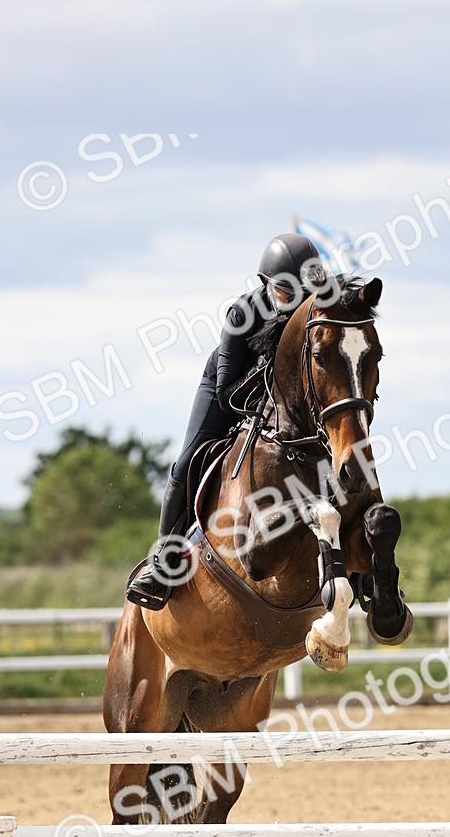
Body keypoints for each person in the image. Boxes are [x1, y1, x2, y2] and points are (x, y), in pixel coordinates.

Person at [126, 232, 321, 610]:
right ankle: (164, 563)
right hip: (227, 388)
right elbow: (228, 391)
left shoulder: (315, 311)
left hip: (286, 406)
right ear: (265, 284)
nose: (296, 300)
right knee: (186, 462)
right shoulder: (243, 313)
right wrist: (270, 375)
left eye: (304, 290)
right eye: (285, 291)